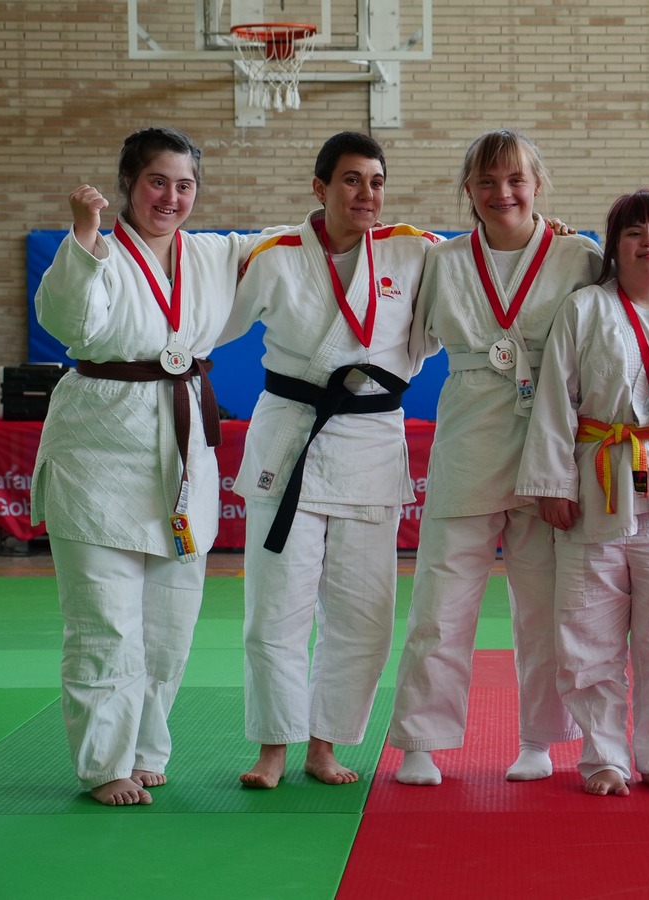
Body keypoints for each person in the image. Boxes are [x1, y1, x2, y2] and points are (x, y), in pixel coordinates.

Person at [32, 126, 260, 806]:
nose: (171, 197)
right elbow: (71, 324)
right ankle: (105, 763)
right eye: (157, 181)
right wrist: (84, 233)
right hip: (97, 449)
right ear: (129, 183)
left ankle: (144, 749)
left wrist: (385, 230)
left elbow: (301, 246)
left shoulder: (215, 255)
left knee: (169, 623)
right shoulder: (96, 252)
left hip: (181, 450)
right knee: (104, 621)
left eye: (185, 185)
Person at [225, 132, 441, 789]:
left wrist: (557, 242)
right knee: (276, 608)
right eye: (351, 180)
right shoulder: (276, 254)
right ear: (319, 188)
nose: (366, 194)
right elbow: (207, 313)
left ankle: (324, 745)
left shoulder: (414, 250)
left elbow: (483, 275)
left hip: (371, 442)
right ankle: (272, 747)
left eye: (376, 181)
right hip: (291, 435)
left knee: (363, 614)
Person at [388, 129, 602, 786]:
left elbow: (621, 328)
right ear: (468, 191)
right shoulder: (443, 260)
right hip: (468, 435)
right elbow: (407, 340)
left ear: (538, 186)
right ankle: (422, 740)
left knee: (546, 605)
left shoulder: (578, 256)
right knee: (440, 599)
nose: (501, 193)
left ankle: (541, 739)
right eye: (486, 181)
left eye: (515, 180)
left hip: (549, 439)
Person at [517, 189, 649, 796]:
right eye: (633, 233)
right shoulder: (584, 308)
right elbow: (556, 398)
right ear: (614, 248)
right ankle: (604, 757)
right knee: (587, 633)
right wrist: (553, 484)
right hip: (595, 490)